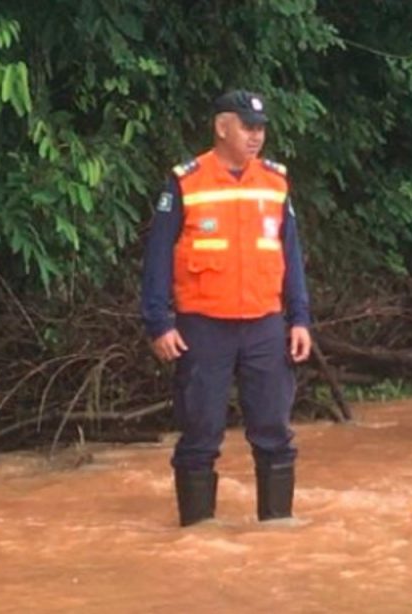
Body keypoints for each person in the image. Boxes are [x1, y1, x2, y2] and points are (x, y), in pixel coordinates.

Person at [140, 89, 313, 527]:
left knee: (274, 433)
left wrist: (300, 319)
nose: (257, 136)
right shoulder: (185, 182)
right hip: (203, 327)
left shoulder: (275, 182)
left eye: (261, 128)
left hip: (265, 325)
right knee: (200, 434)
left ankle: (278, 529)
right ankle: (197, 536)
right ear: (222, 127)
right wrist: (159, 322)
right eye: (247, 127)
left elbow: (289, 256)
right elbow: (157, 257)